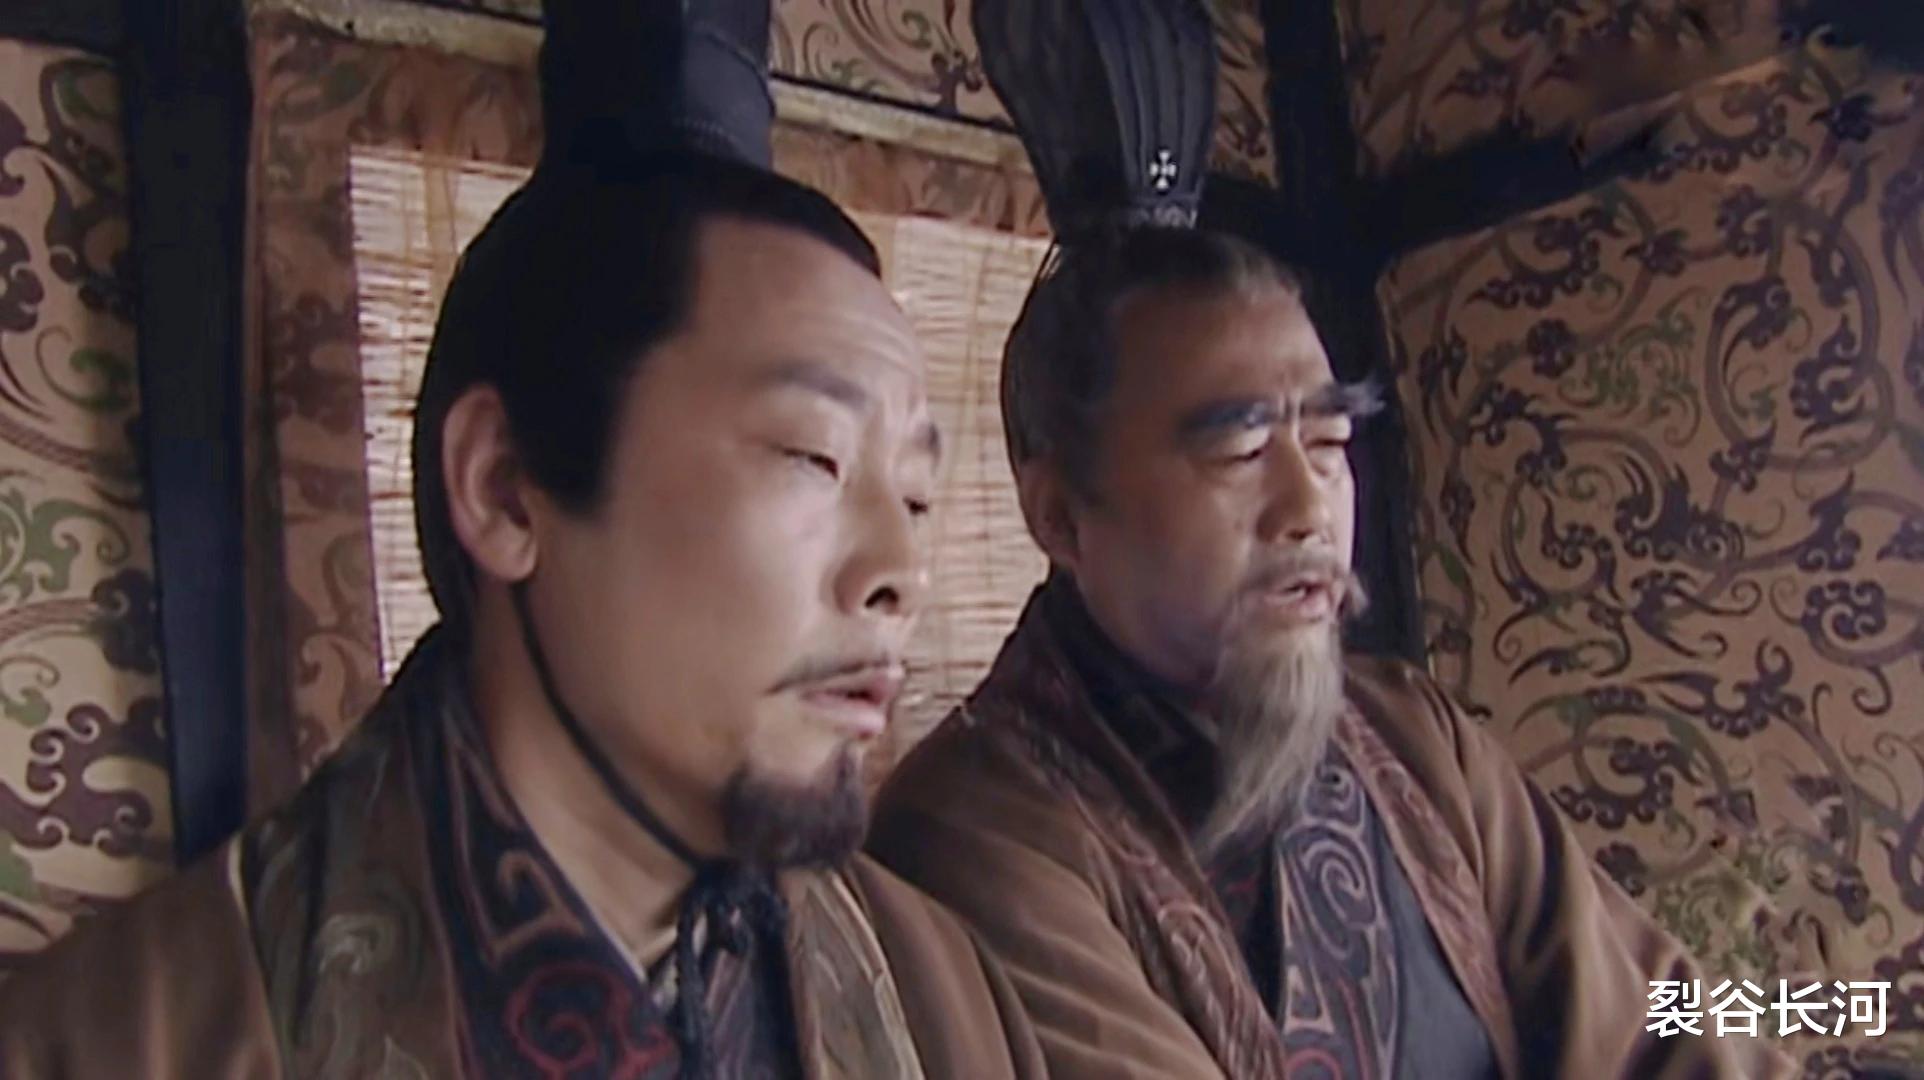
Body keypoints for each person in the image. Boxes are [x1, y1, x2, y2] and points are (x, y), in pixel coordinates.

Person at [0, 5, 1044, 1077]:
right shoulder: (112, 1044)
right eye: (812, 456)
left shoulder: (940, 990)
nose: (900, 574)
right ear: (504, 490)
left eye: (916, 497)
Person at [867, 224, 1795, 1079]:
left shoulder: (1412, 735)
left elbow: (1660, 1018)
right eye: (1239, 452)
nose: (1310, 507)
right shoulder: (973, 833)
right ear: (1061, 516)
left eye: (1328, 439)